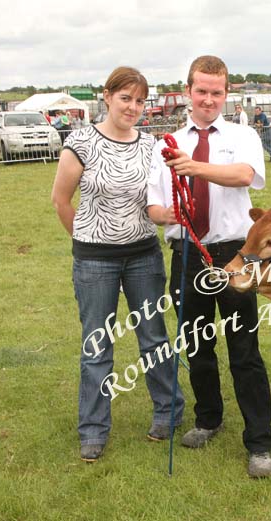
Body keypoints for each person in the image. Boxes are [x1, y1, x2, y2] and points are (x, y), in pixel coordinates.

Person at [147, 55, 271, 479]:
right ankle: (208, 419)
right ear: (188, 92)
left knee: (244, 351)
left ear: (226, 94)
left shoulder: (243, 135)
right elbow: (153, 201)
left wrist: (194, 166)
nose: (208, 99)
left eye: (216, 92)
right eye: (200, 91)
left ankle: (259, 442)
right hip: (186, 255)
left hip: (233, 256)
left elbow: (244, 176)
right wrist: (163, 214)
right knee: (198, 346)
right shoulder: (165, 143)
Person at [50, 66, 185, 463]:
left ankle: (169, 411)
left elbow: (158, 199)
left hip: (144, 256)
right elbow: (61, 201)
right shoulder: (81, 141)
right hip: (95, 262)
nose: (134, 107)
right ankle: (93, 429)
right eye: (126, 98)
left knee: (154, 339)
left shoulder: (150, 145)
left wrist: (172, 215)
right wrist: (86, 239)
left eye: (141, 100)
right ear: (107, 96)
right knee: (97, 346)